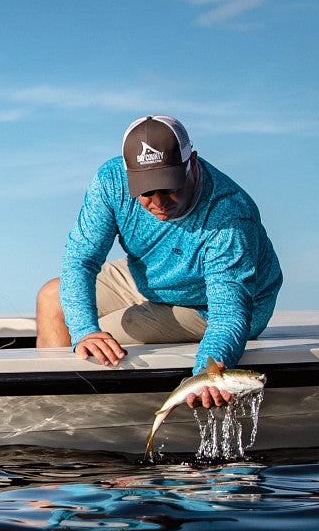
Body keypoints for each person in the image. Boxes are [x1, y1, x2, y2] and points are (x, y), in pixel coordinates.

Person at [36, 115, 282, 407]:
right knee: (53, 298)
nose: (159, 201)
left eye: (169, 187)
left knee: (110, 337)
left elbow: (228, 316)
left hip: (211, 305)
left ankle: (86, 411)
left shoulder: (229, 215)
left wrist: (208, 375)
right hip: (151, 274)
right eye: (146, 190)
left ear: (192, 161)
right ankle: (52, 408)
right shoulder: (110, 181)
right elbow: (80, 259)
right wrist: (84, 331)